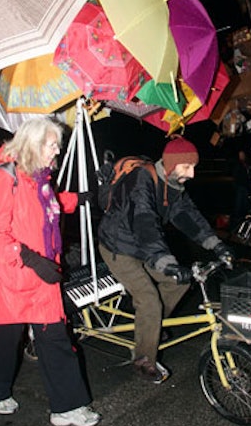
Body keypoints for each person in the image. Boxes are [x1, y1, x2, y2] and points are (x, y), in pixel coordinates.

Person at [0, 117, 101, 426]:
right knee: (3, 343)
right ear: (34, 144)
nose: (56, 152)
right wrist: (32, 260)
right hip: (7, 279)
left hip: (40, 281)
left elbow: (48, 204)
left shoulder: (40, 178)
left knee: (55, 340)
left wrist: (82, 198)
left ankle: (68, 407)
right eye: (52, 146)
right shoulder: (4, 179)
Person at [97, 135, 234, 385]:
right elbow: (144, 222)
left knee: (179, 282)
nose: (191, 174)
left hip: (144, 247)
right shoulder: (141, 180)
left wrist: (218, 246)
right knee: (149, 300)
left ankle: (151, 328)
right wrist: (164, 260)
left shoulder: (173, 186)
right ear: (171, 164)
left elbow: (189, 217)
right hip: (119, 246)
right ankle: (142, 359)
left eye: (193, 167)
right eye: (186, 167)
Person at [230, 149, 251, 230]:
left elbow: (249, 175)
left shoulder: (246, 164)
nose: (242, 156)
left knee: (244, 202)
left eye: (243, 155)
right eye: (241, 155)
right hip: (240, 186)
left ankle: (242, 217)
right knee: (239, 202)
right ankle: (237, 219)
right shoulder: (238, 164)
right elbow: (237, 175)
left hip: (245, 186)